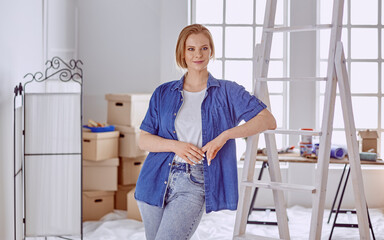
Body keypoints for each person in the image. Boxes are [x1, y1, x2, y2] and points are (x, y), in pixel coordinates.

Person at [135, 24, 276, 240]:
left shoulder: (228, 91)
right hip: (154, 177)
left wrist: (225, 135)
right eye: (191, 49)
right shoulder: (163, 92)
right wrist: (176, 146)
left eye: (204, 48)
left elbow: (268, 120)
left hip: (195, 180)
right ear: (182, 52)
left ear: (211, 51)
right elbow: (143, 140)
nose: (198, 54)